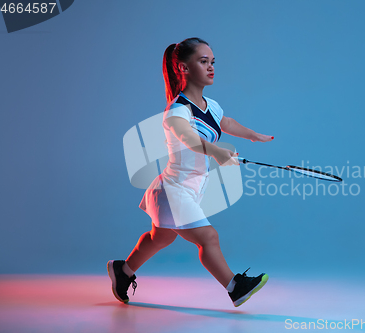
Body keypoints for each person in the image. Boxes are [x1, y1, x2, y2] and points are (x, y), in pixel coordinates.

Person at [107, 37, 274, 307]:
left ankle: (122, 271)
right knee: (208, 237)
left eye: (212, 62)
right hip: (174, 190)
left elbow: (225, 122)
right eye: (203, 61)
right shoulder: (176, 111)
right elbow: (188, 137)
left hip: (192, 188)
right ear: (183, 68)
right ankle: (235, 287)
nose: (211, 68)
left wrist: (252, 135)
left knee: (160, 237)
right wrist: (217, 152)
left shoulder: (212, 106)